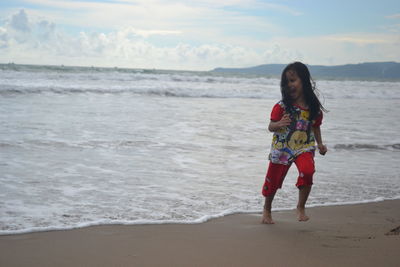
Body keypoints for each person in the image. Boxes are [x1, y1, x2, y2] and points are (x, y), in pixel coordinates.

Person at [261, 62, 327, 224]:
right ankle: (267, 210)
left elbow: (316, 126)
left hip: (304, 146)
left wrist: (320, 144)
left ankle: (300, 207)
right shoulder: (281, 106)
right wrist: (279, 124)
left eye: (293, 80)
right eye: (286, 82)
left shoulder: (313, 108)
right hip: (282, 148)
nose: (289, 85)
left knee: (308, 171)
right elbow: (270, 127)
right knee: (273, 180)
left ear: (304, 80)